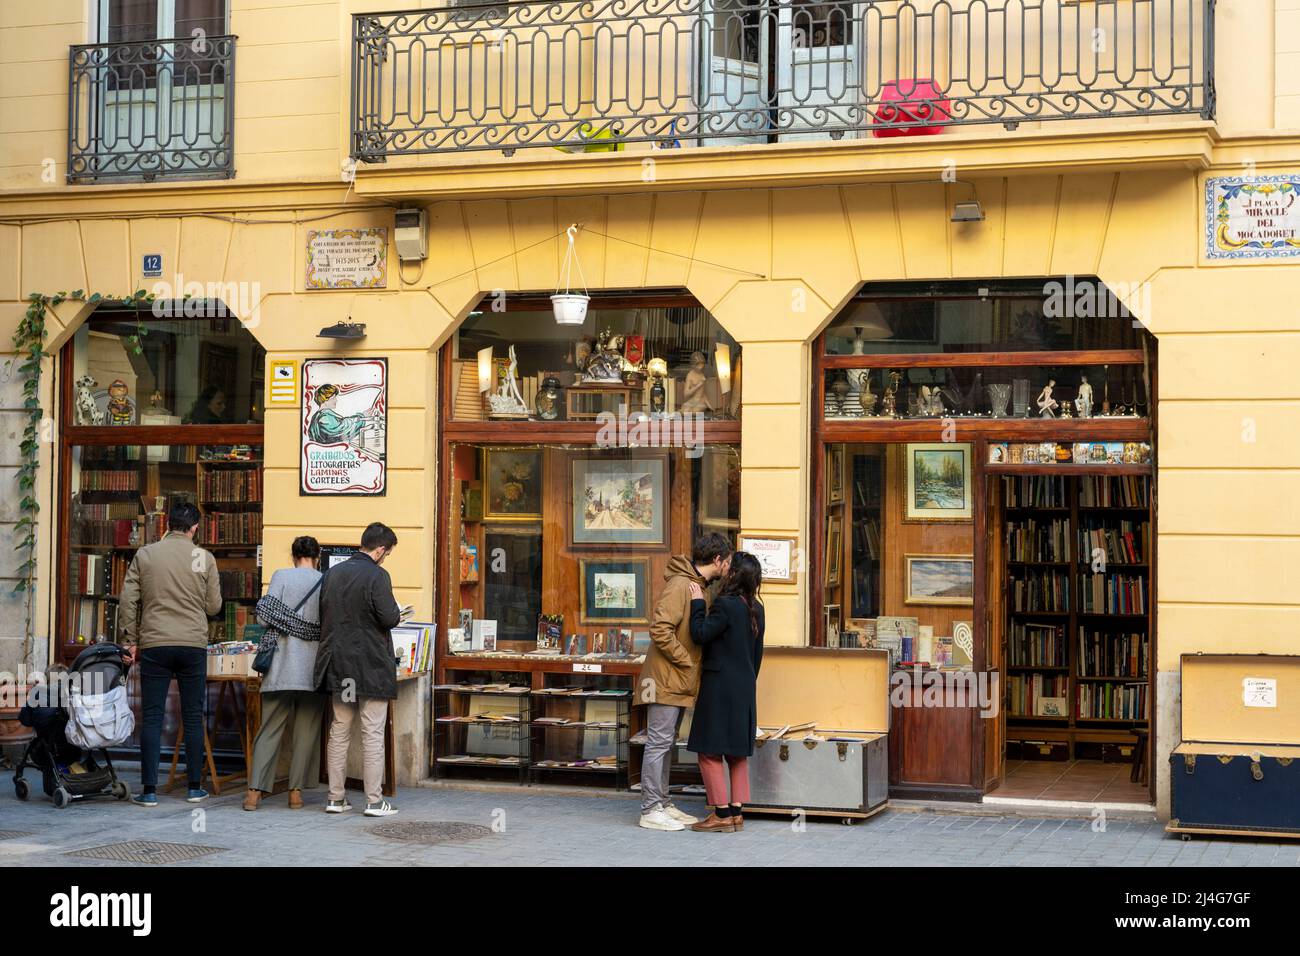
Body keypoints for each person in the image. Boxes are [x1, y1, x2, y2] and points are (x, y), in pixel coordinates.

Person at [116, 502, 222, 807]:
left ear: (168, 524)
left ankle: (149, 790)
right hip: (191, 645)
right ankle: (193, 787)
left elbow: (128, 601)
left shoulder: (146, 555)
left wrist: (130, 639)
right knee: (191, 716)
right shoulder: (203, 558)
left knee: (151, 716)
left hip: (155, 644)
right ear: (195, 528)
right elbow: (214, 607)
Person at [636, 532, 732, 832]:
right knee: (658, 744)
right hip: (667, 678)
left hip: (676, 679)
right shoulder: (681, 584)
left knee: (665, 743)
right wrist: (687, 662)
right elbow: (660, 630)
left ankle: (662, 802)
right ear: (717, 560)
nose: (728, 568)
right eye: (727, 562)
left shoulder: (696, 586)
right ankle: (650, 809)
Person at [314, 522, 401, 817]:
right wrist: (399, 613)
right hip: (371, 666)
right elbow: (389, 618)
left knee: (339, 730)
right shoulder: (378, 575)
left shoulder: (332, 574)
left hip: (340, 667)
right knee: (372, 732)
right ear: (379, 550)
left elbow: (322, 616)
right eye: (387, 553)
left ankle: (335, 799)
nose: (385, 558)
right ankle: (375, 801)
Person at [244, 536, 326, 811]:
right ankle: (295, 794)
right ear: (318, 556)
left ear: (293, 555)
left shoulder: (280, 576)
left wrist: (285, 618)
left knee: (269, 729)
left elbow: (264, 617)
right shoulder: (324, 581)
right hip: (312, 669)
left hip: (280, 666)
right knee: (306, 731)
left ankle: (254, 793)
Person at [685, 551, 765, 833]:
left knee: (708, 751)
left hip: (719, 687)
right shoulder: (756, 608)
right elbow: (757, 655)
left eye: (729, 567)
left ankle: (720, 813)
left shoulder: (725, 604)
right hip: (745, 687)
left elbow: (700, 633)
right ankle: (736, 813)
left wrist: (697, 603)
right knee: (736, 753)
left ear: (734, 575)